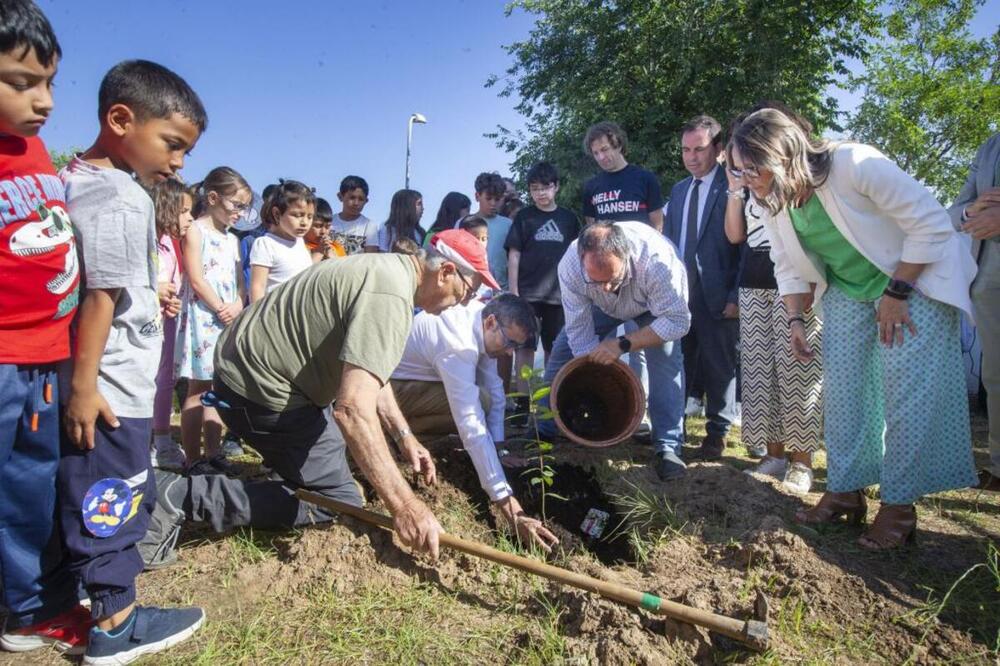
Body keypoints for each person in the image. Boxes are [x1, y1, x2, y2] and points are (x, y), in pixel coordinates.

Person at [142, 230, 501, 565]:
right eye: (467, 291)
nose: (463, 302)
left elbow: (373, 371)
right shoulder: (390, 295)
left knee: (333, 472)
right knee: (339, 503)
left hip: (257, 381)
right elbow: (352, 410)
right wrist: (406, 505)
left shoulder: (390, 272)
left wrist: (404, 437)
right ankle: (182, 496)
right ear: (446, 272)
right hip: (258, 394)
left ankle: (287, 473)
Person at [731, 108, 978, 550]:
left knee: (904, 397)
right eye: (739, 169)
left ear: (783, 156)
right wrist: (795, 319)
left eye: (753, 169)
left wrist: (897, 293)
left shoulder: (854, 164)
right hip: (848, 290)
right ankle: (846, 491)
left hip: (913, 280)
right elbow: (786, 265)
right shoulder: (772, 199)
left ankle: (899, 508)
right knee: (843, 394)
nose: (746, 179)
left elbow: (930, 222)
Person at [57, 58, 206, 663]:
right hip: (114, 386)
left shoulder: (75, 179)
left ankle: (56, 600)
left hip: (97, 377)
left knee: (85, 486)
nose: (177, 163)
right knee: (115, 493)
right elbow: (102, 297)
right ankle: (115, 625)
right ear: (121, 119)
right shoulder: (122, 196)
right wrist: (87, 387)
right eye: (172, 144)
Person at [0, 1, 89, 655]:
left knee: (33, 482)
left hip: (46, 352)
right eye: (22, 81)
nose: (46, 100)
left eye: (50, 82)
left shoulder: (32, 149)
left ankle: (30, 605)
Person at [388, 294, 560, 552]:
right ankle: (395, 436)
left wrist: (499, 451)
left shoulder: (482, 320)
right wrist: (511, 509)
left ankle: (413, 434)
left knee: (487, 400)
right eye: (509, 342)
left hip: (416, 385)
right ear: (491, 322)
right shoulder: (458, 343)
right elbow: (471, 426)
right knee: (476, 407)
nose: (510, 352)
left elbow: (496, 390)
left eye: (516, 345)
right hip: (389, 392)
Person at [539, 222, 690, 481]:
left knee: (665, 363)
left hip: (651, 307)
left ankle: (668, 446)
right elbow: (579, 332)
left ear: (626, 255)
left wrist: (622, 344)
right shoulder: (571, 266)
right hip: (599, 308)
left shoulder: (657, 262)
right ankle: (542, 429)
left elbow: (677, 322)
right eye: (595, 281)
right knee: (562, 353)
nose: (605, 288)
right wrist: (595, 377)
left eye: (611, 279)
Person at [723, 104, 823, 494]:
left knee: (797, 371)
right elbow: (735, 236)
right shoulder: (747, 187)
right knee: (760, 370)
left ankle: (802, 463)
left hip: (796, 282)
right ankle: (774, 455)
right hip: (754, 281)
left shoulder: (794, 179)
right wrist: (734, 190)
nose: (746, 169)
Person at [664, 115, 743, 461]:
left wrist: (733, 295)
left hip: (718, 293)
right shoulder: (679, 190)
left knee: (719, 364)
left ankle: (717, 432)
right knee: (677, 362)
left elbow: (743, 248)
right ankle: (672, 429)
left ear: (719, 150)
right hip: (681, 295)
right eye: (685, 150)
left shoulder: (733, 188)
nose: (692, 156)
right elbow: (669, 244)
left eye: (699, 149)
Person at [175, 167, 249, 476]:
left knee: (218, 388)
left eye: (245, 208)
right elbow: (196, 277)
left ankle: (215, 451)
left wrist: (237, 304)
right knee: (198, 388)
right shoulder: (197, 230)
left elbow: (238, 281)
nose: (240, 214)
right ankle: (193, 457)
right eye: (236, 205)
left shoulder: (231, 239)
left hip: (226, 319)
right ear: (214, 198)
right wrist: (220, 307)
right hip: (204, 317)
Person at [506, 161, 581, 423]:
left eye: (545, 187)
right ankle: (522, 405)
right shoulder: (525, 217)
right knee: (524, 349)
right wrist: (514, 293)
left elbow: (578, 257)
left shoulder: (569, 219)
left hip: (560, 297)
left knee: (555, 350)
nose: (540, 193)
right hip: (527, 295)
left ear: (556, 187)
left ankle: (550, 404)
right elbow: (514, 255)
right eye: (534, 189)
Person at [948, 132, 1000, 491]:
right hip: (989, 281)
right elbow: (955, 211)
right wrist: (971, 211)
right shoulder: (990, 145)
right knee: (994, 378)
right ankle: (998, 469)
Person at [150, 179, 194, 471]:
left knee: (165, 381)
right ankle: (145, 440)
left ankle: (163, 439)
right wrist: (157, 289)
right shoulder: (146, 240)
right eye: (185, 211)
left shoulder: (168, 243)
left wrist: (170, 296)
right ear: (166, 208)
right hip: (142, 330)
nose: (190, 217)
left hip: (165, 325)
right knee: (147, 382)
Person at [581, 121, 664, 231]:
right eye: (596, 153)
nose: (601, 157)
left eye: (604, 149)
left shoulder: (645, 179)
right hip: (606, 248)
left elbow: (658, 227)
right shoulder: (591, 187)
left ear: (618, 145)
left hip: (639, 247)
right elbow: (592, 230)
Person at [248, 180, 315, 301]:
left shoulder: (301, 243)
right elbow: (258, 287)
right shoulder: (265, 244)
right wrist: (258, 317)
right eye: (297, 215)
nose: (305, 222)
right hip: (275, 316)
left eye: (309, 217)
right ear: (277, 214)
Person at [473, 171, 512, 290]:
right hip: (472, 290)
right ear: (477, 196)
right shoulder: (464, 223)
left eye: (497, 199)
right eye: (488, 198)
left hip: (502, 289)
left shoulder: (508, 225)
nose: (493, 203)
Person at [366, 188, 424, 253]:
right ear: (407, 206)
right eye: (419, 204)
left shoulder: (420, 232)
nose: (423, 208)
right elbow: (382, 254)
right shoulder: (387, 229)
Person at [330, 174, 374, 255]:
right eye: (352, 198)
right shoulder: (328, 222)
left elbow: (371, 258)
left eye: (361, 199)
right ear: (340, 196)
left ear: (366, 201)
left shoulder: (369, 226)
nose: (356, 203)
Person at [307, 196, 344, 262]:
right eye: (318, 226)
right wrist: (319, 252)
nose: (323, 232)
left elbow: (344, 269)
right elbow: (303, 271)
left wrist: (331, 254)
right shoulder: (298, 247)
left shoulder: (336, 247)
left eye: (327, 227)